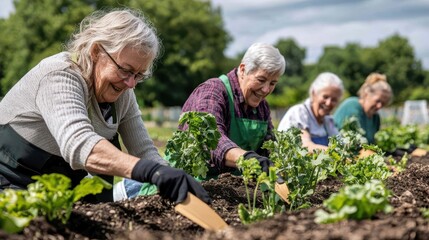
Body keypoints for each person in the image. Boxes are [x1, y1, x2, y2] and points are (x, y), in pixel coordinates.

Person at [0, 9, 210, 204]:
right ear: (96, 51)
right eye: (125, 70)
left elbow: (144, 151)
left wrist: (175, 180)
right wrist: (150, 172)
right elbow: (80, 144)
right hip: (12, 185)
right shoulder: (59, 76)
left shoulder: (123, 93)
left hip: (60, 194)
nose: (131, 83)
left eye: (139, 75)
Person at [118, 42, 286, 199]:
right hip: (170, 184)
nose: (266, 89)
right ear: (243, 70)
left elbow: (268, 150)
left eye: (273, 83)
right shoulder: (213, 91)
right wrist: (247, 158)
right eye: (261, 80)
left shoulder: (261, 108)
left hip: (214, 189)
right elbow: (211, 141)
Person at [277, 72, 344, 152]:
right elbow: (305, 147)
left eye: (334, 100)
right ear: (314, 93)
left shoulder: (328, 121)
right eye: (325, 97)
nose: (328, 103)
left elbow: (341, 146)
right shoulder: (299, 113)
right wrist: (335, 154)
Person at [333, 73, 392, 144]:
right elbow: (352, 144)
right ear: (367, 94)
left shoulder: (375, 117)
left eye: (383, 103)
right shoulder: (352, 106)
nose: (379, 106)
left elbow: (372, 143)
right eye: (377, 101)